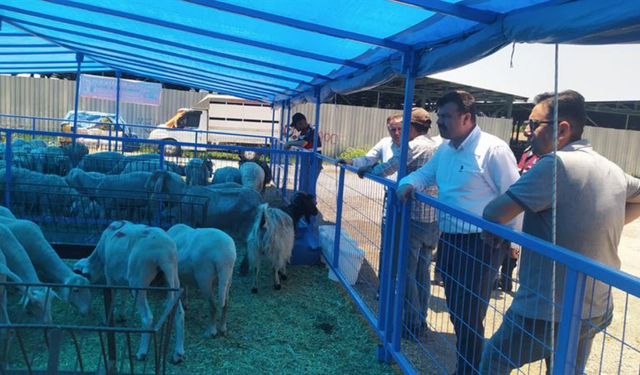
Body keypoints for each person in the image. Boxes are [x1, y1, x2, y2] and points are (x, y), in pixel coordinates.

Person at [479, 90, 640, 375]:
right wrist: (606, 222)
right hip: (595, 303)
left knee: (495, 359)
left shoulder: (555, 165)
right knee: (566, 369)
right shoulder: (611, 168)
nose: (527, 132)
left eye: (533, 124)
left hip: (546, 307)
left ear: (562, 129)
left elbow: (494, 213)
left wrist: (499, 232)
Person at [396, 91, 521, 375]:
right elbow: (424, 175)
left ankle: (468, 370)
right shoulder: (446, 149)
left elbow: (515, 199)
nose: (440, 122)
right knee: (457, 311)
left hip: (481, 242)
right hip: (450, 238)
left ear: (467, 117)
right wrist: (407, 183)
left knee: (469, 315)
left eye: (447, 117)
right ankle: (466, 368)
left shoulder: (492, 150)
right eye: (440, 117)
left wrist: (513, 242)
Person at [357, 108, 442, 339]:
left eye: (403, 128)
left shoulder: (415, 146)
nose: (399, 133)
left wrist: (367, 170)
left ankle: (412, 323)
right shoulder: (439, 144)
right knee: (423, 271)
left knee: (407, 272)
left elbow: (389, 167)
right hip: (432, 218)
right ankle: (420, 318)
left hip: (412, 218)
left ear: (412, 128)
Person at [284, 113, 322, 191]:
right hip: (307, 161)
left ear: (301, 122)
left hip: (313, 162)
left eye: (295, 125)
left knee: (310, 186)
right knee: (304, 184)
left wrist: (290, 143)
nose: (295, 127)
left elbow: (303, 143)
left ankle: (311, 202)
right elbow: (299, 142)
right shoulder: (303, 132)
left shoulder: (311, 131)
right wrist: (291, 143)